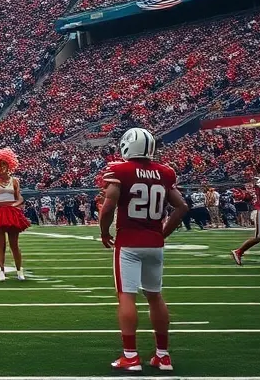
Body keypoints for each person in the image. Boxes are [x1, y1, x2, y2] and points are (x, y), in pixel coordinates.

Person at [99, 127, 189, 373]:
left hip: (128, 242)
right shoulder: (164, 172)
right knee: (155, 295)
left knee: (127, 296)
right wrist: (162, 232)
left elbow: (108, 207)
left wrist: (105, 232)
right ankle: (162, 355)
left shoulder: (120, 170)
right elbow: (181, 207)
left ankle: (130, 355)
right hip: (154, 243)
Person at [0, 147, 28, 282]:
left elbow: (19, 197)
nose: (2, 167)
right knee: (0, 244)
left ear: (10, 165)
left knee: (14, 244)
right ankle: (1, 271)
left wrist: (15, 204)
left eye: (5, 164)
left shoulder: (14, 180)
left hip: (12, 212)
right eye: (0, 165)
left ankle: (19, 271)